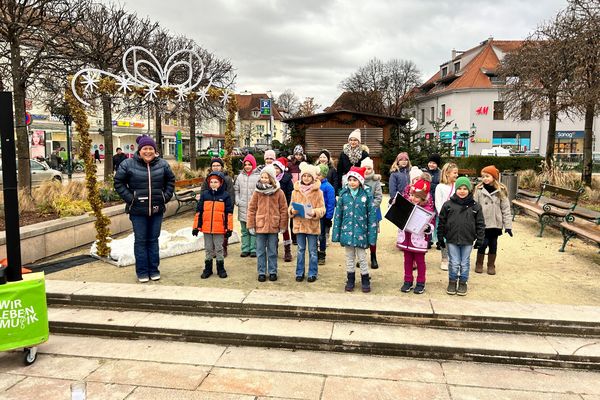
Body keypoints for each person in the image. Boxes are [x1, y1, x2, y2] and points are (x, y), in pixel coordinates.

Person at [114, 135, 175, 283]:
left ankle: (154, 270)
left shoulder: (163, 164)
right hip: (137, 211)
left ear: (155, 150)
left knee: (153, 240)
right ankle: (142, 271)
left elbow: (171, 181)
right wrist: (131, 199)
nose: (148, 151)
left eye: (151, 149)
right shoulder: (128, 164)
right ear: (139, 150)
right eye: (145, 149)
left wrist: (164, 197)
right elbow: (118, 182)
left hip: (156, 210)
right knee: (141, 241)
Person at [437, 177, 485, 296]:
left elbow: (480, 224)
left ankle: (463, 282)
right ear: (455, 189)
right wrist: (440, 238)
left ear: (469, 190)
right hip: (452, 238)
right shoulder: (448, 205)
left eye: (465, 188)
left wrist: (480, 239)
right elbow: (442, 222)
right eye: (459, 188)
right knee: (454, 262)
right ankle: (452, 281)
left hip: (468, 239)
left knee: (464, 262)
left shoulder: (475, 206)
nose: (462, 191)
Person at [332, 166, 378, 293]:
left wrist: (372, 237)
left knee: (362, 258)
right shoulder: (343, 196)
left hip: (361, 234)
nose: (352, 182)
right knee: (349, 257)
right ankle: (350, 279)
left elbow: (372, 218)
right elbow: (338, 216)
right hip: (347, 233)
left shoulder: (366, 196)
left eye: (355, 180)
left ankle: (365, 279)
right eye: (350, 180)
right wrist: (336, 234)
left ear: (360, 182)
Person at [246, 164, 289, 282]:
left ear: (272, 178)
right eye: (262, 177)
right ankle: (261, 272)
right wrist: (251, 224)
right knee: (260, 251)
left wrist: (283, 225)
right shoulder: (257, 192)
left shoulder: (279, 192)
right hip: (260, 226)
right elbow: (252, 208)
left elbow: (283, 209)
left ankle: (273, 271)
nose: (264, 179)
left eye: (266, 177)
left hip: (273, 226)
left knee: (272, 251)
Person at [473, 165, 513, 275]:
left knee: (493, 244)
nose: (485, 178)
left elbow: (505, 209)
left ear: (494, 177)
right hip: (483, 223)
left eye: (487, 176)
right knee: (482, 243)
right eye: (483, 176)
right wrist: (473, 222)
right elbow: (474, 206)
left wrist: (508, 226)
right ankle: (479, 263)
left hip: (495, 224)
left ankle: (491, 264)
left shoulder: (501, 190)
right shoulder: (479, 190)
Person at [397, 179, 435, 294]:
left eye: (417, 197)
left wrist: (428, 227)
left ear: (423, 199)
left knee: (420, 261)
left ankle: (420, 282)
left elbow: (431, 224)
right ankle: (407, 280)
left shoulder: (427, 209)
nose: (413, 198)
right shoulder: (406, 204)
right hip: (406, 238)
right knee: (407, 260)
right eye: (412, 195)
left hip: (418, 241)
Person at [289, 162, 325, 282]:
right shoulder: (295, 191)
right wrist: (292, 211)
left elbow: (322, 209)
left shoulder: (318, 192)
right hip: (299, 224)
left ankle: (312, 272)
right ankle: (299, 272)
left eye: (309, 176)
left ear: (313, 178)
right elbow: (290, 206)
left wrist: (314, 212)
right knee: (300, 250)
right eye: (304, 176)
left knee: (313, 250)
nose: (306, 178)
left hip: (312, 226)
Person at [193, 171, 233, 279]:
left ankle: (221, 268)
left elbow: (229, 213)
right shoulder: (205, 195)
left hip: (219, 228)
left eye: (216, 182)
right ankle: (208, 269)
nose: (213, 184)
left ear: (220, 183)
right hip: (206, 227)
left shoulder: (225, 196)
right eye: (211, 182)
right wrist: (196, 227)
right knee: (208, 248)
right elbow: (199, 211)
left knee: (219, 248)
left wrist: (229, 228)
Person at [201, 157, 235, 257]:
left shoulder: (227, 179)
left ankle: (223, 247)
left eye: (218, 165)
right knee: (212, 229)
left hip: (223, 207)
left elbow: (231, 194)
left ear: (222, 167)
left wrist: (229, 208)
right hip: (211, 209)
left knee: (223, 229)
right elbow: (203, 192)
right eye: (213, 165)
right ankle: (213, 249)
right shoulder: (208, 179)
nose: (216, 167)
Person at [234, 154, 260, 258]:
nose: (247, 166)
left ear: (253, 165)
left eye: (250, 164)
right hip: (242, 207)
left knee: (253, 230)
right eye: (246, 164)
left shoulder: (258, 176)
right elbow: (236, 189)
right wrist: (237, 200)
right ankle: (245, 248)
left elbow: (260, 191)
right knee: (244, 230)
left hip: (254, 208)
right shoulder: (240, 177)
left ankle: (253, 249)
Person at [434, 162, 458, 270]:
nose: (456, 175)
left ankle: (453, 258)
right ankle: (444, 259)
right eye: (455, 173)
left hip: (456, 216)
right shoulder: (440, 187)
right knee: (444, 238)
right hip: (444, 217)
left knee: (454, 238)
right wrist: (442, 215)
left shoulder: (457, 186)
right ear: (447, 173)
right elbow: (438, 203)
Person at [361, 157, 382, 269]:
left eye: (369, 168)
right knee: (362, 233)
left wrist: (371, 206)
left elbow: (378, 197)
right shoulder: (358, 180)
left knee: (372, 235)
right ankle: (362, 257)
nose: (367, 170)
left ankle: (373, 256)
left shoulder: (376, 181)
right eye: (365, 168)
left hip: (373, 211)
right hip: (361, 212)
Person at [273, 157, 294, 262]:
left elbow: (290, 193)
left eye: (277, 168)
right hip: (273, 208)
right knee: (274, 229)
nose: (275, 171)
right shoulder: (270, 179)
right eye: (274, 168)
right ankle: (274, 249)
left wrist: (288, 205)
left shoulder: (286, 179)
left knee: (285, 229)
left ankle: (287, 250)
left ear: (281, 169)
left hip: (284, 207)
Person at [317, 163, 336, 265]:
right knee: (314, 236)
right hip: (314, 214)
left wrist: (329, 217)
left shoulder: (328, 187)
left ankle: (322, 254)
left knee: (322, 236)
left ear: (324, 175)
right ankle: (314, 253)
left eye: (319, 174)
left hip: (323, 216)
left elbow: (331, 203)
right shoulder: (314, 185)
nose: (317, 176)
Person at [425, 154, 442, 247]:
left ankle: (439, 240)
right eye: (430, 162)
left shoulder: (440, 173)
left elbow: (441, 185)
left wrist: (431, 186)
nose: (431, 164)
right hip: (427, 200)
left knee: (438, 220)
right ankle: (428, 239)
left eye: (434, 163)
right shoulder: (425, 173)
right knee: (428, 219)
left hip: (437, 199)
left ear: (437, 164)